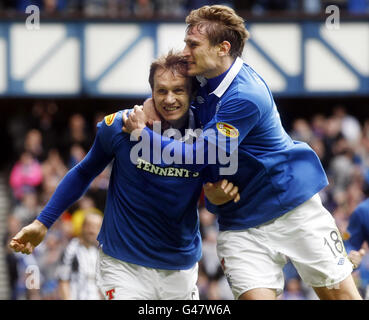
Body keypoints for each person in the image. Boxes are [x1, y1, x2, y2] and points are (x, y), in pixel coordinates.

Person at [123, 5, 363, 300]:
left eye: (193, 44)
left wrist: (143, 134)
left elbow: (202, 154)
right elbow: (168, 91)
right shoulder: (198, 78)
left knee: (342, 297)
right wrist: (150, 104)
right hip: (240, 223)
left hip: (291, 208)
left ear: (223, 48)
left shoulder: (246, 95)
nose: (185, 51)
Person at [9, 51, 240, 300]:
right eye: (161, 90)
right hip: (123, 266)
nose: (169, 99)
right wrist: (43, 222)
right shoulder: (119, 126)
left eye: (178, 90)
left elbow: (218, 195)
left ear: (192, 92)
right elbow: (84, 172)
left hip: (180, 268)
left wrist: (217, 198)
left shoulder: (207, 134)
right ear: (151, 91)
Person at [57, 212, 103, 300]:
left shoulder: (99, 252)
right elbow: (63, 280)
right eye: (89, 226)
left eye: (97, 227)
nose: (92, 231)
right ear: (82, 227)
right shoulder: (71, 249)